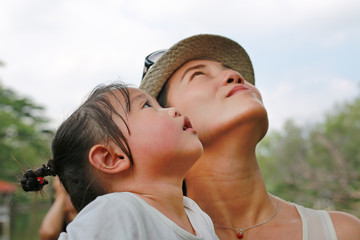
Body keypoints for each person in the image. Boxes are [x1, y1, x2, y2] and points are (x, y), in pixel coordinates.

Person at [139, 34, 360, 240]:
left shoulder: (343, 232)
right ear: (169, 115)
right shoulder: (144, 233)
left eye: (231, 70)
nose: (234, 76)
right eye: (198, 75)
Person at [21, 82, 219, 240]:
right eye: (148, 105)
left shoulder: (198, 217)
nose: (173, 110)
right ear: (111, 158)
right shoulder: (115, 212)